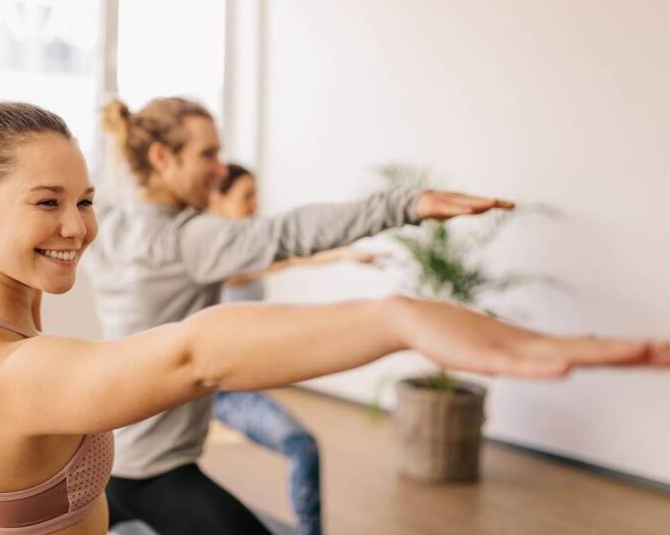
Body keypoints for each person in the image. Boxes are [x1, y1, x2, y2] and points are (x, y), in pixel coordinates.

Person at [0, 82, 668, 535]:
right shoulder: (16, 374)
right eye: (47, 203)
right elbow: (197, 353)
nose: (78, 227)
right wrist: (397, 320)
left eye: (85, 200)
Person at [89, 96, 667, 535]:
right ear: (161, 158)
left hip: (106, 455)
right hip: (155, 470)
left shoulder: (110, 225)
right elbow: (288, 232)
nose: (221, 168)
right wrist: (403, 203)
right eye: (208, 155)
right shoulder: (187, 239)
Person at [207, 162, 384, 535]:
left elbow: (284, 258)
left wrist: (344, 254)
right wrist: (340, 254)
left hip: (235, 385)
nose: (255, 204)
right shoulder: (212, 253)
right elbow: (277, 260)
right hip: (208, 388)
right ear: (218, 199)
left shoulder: (245, 247)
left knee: (303, 448)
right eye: (246, 196)